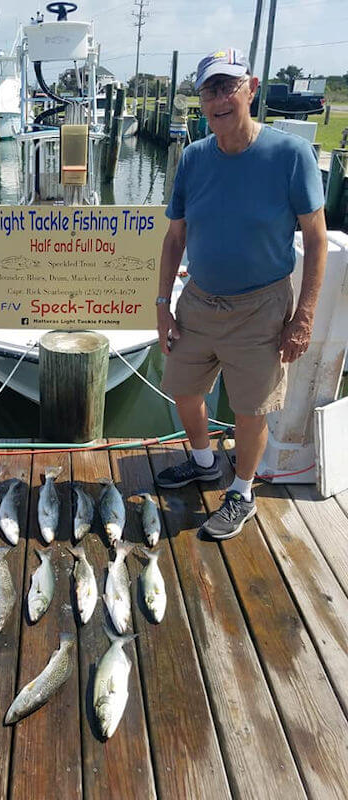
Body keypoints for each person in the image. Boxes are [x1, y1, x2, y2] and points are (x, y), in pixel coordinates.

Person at [155, 48, 327, 540]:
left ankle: (242, 492)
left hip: (261, 307)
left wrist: (303, 316)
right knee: (183, 389)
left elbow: (316, 239)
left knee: (251, 410)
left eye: (227, 86)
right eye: (209, 90)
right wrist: (163, 306)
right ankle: (204, 462)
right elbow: (174, 237)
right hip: (199, 299)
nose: (218, 100)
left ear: (251, 88)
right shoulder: (193, 157)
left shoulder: (291, 155)